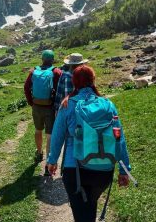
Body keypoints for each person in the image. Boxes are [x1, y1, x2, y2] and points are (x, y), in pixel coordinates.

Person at [47, 65, 131, 222]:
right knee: (90, 205)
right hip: (104, 169)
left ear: (74, 82)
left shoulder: (67, 105)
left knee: (81, 213)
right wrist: (124, 169)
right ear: (93, 81)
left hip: (75, 169)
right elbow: (119, 137)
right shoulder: (108, 105)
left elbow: (57, 136)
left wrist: (52, 161)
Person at [24, 50, 62, 176]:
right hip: (49, 107)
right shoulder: (55, 72)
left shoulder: (34, 71)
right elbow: (59, 89)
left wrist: (31, 102)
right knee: (49, 135)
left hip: (36, 106)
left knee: (38, 130)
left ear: (42, 59)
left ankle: (39, 153)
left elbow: (26, 87)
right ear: (52, 59)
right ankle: (47, 165)